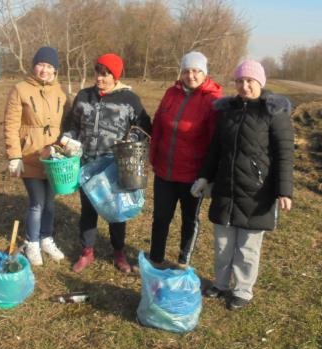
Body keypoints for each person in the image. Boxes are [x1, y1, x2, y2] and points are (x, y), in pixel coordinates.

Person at [192, 59, 294, 310]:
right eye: (240, 81)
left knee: (247, 247)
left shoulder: (273, 113)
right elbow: (215, 149)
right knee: (223, 244)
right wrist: (205, 177)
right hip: (226, 188)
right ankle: (221, 283)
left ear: (260, 82)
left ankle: (243, 290)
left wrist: (284, 190)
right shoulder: (227, 111)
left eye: (250, 81)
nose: (244, 86)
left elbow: (284, 154)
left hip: (257, 192)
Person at [61, 53, 151, 274]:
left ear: (115, 76)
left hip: (114, 166)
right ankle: (87, 252)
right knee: (88, 210)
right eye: (97, 73)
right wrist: (67, 138)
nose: (100, 78)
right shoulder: (84, 96)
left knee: (115, 211)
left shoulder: (129, 100)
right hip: (87, 163)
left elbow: (145, 129)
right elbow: (73, 125)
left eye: (105, 74)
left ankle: (119, 252)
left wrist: (129, 143)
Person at [148, 51, 222, 266]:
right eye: (187, 71)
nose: (191, 75)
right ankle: (156, 258)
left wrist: (208, 176)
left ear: (204, 73)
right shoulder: (171, 92)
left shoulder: (213, 100)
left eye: (197, 71)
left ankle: (183, 261)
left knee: (189, 219)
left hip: (192, 174)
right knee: (160, 217)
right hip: (165, 170)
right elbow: (159, 124)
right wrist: (153, 156)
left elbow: (214, 141)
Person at [4, 46, 69, 266]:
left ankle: (46, 238)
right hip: (30, 155)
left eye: (50, 66)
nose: (45, 70)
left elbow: (71, 120)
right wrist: (14, 156)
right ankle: (32, 242)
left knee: (50, 203)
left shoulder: (60, 92)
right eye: (41, 64)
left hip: (53, 158)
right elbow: (11, 125)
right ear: (34, 66)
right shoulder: (20, 89)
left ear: (56, 70)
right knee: (37, 203)